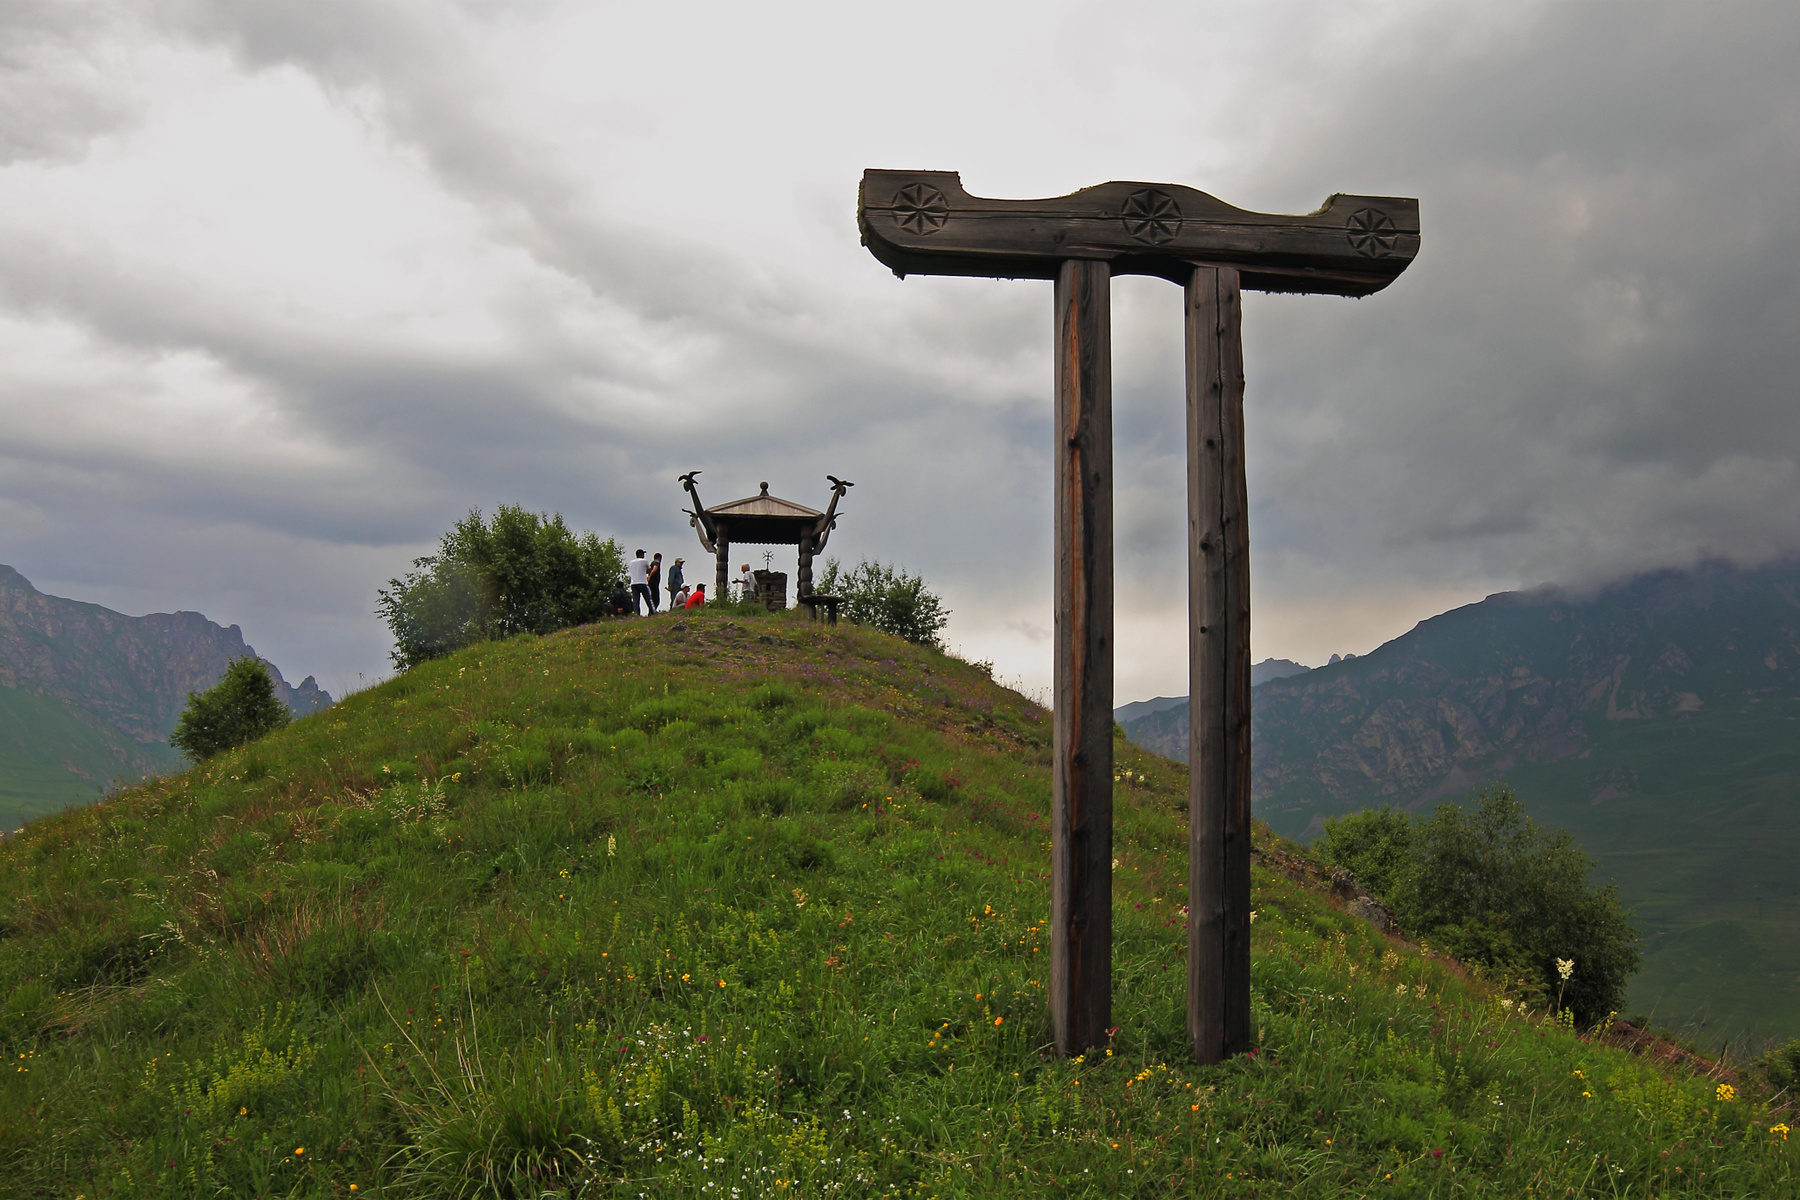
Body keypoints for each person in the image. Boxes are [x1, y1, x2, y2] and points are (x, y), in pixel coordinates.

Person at [627, 549, 652, 615]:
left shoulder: (631, 562)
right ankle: (651, 611)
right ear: (641, 555)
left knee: (636, 599)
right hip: (642, 582)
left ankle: (636, 613)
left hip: (633, 582)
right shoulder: (644, 561)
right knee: (647, 598)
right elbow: (649, 570)